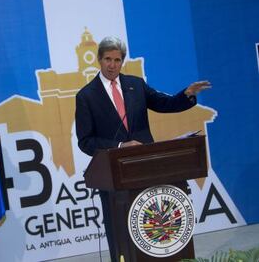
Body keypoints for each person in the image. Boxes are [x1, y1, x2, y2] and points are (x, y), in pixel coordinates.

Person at [75, 36, 211, 261]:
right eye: (107, 59)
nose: (112, 65)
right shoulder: (87, 96)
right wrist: (119, 146)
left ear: (122, 61)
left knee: (154, 229)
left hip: (148, 171)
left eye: (117, 60)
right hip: (114, 178)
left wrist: (187, 95)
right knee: (124, 240)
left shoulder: (135, 85)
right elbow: (86, 141)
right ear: (99, 59)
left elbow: (164, 104)